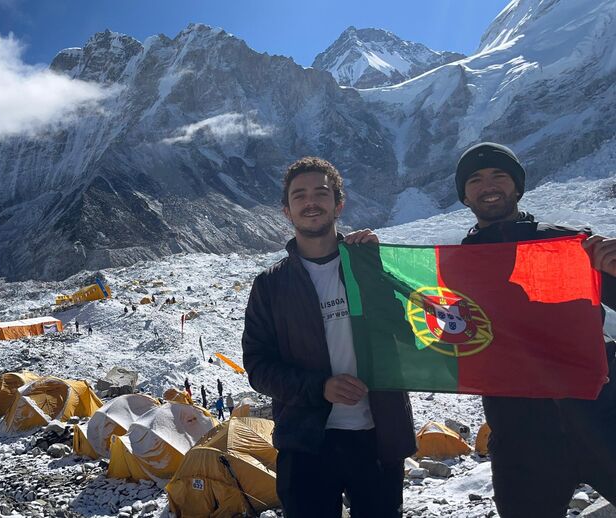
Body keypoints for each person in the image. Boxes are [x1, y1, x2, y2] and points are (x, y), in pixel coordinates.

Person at [242, 156, 415, 518]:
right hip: (306, 442)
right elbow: (258, 367)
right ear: (286, 210)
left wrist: (377, 269)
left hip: (378, 436)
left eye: (321, 192)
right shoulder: (271, 286)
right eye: (299, 195)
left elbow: (406, 333)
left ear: (339, 203)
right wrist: (319, 387)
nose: (311, 202)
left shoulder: (369, 266)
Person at [451, 142, 616, 517]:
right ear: (464, 195)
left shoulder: (567, 245)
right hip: (519, 434)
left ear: (518, 186)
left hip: (600, 415)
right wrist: (366, 261)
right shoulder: (455, 267)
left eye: (499, 175)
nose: (487, 185)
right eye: (475, 180)